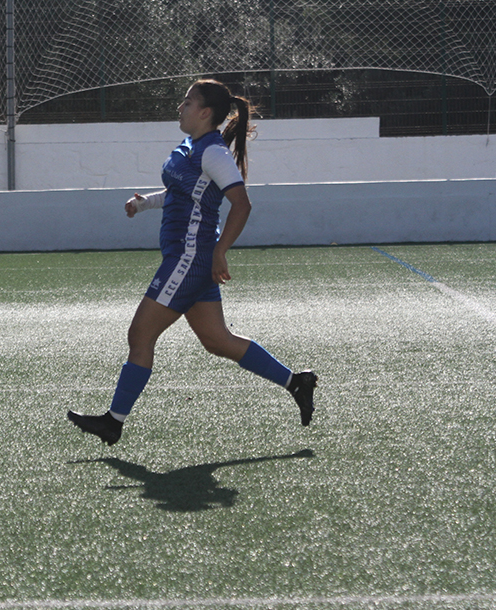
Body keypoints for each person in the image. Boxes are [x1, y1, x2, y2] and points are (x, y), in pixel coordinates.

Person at [67, 79, 317, 446]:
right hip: (188, 257)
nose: (180, 107)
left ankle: (113, 422)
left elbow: (242, 204)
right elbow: (183, 191)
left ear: (205, 113)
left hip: (190, 257)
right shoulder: (192, 146)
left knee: (140, 335)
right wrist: (144, 203)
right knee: (217, 340)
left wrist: (219, 251)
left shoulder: (214, 152)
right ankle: (296, 382)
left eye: (187, 102)